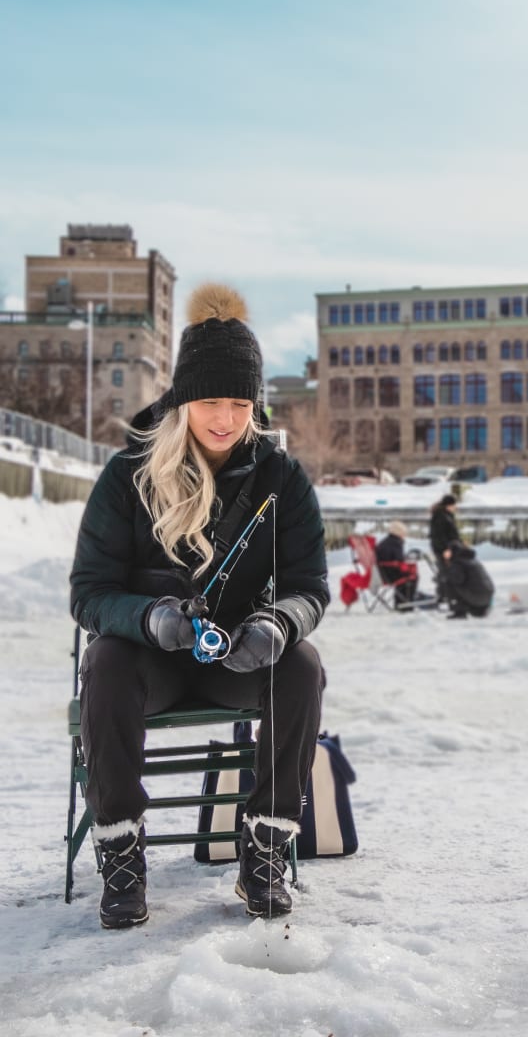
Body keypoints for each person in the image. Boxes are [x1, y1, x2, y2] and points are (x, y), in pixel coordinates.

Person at [69, 283, 328, 929]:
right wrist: (150, 619)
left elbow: (310, 585)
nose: (225, 418)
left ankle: (266, 848)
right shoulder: (127, 475)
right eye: (211, 401)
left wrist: (277, 624)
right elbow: (89, 592)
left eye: (240, 403)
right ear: (183, 400)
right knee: (104, 663)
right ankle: (122, 856)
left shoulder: (281, 479)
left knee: (302, 666)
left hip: (233, 657)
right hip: (148, 662)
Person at [442, 540, 494, 619]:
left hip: (477, 597)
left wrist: (446, 574)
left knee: (449, 582)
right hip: (487, 598)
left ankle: (459, 612)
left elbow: (457, 580)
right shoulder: (473, 560)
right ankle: (480, 610)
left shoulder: (458, 563)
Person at [376, 520, 417, 607]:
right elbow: (400, 560)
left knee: (406, 575)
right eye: (404, 533)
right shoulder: (396, 543)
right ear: (399, 532)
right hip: (391, 575)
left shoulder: (385, 541)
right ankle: (406, 602)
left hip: (383, 573)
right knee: (413, 576)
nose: (404, 535)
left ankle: (401, 601)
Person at [429, 494, 461, 562]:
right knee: (448, 570)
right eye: (454, 505)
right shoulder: (441, 517)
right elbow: (439, 535)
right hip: (445, 551)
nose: (456, 507)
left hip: (450, 549)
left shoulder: (447, 516)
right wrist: (445, 549)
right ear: (449, 505)